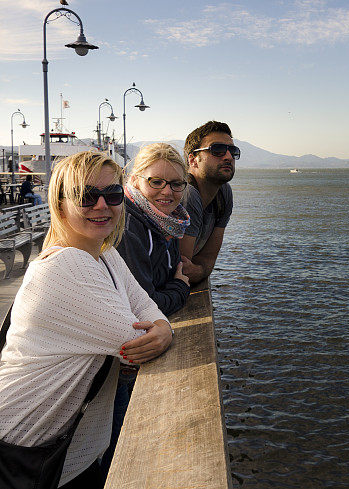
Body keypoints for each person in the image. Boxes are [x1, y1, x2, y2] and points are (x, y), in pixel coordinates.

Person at [0, 151, 173, 488]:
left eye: (112, 194)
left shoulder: (104, 253)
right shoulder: (67, 266)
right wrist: (158, 330)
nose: (102, 205)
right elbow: (133, 340)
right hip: (20, 439)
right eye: (86, 196)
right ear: (61, 204)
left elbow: (148, 308)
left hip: (63, 443)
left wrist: (163, 329)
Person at [100, 143, 191, 476]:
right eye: (156, 182)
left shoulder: (166, 223)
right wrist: (180, 288)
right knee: (121, 462)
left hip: (128, 364)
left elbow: (153, 288)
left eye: (176, 184)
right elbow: (146, 302)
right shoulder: (130, 227)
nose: (167, 191)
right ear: (135, 181)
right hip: (117, 368)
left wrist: (171, 284)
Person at [179, 121, 237, 284]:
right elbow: (183, 270)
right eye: (217, 150)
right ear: (193, 160)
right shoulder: (187, 195)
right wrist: (200, 269)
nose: (228, 157)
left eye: (233, 151)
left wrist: (201, 270)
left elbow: (207, 260)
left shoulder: (224, 194)